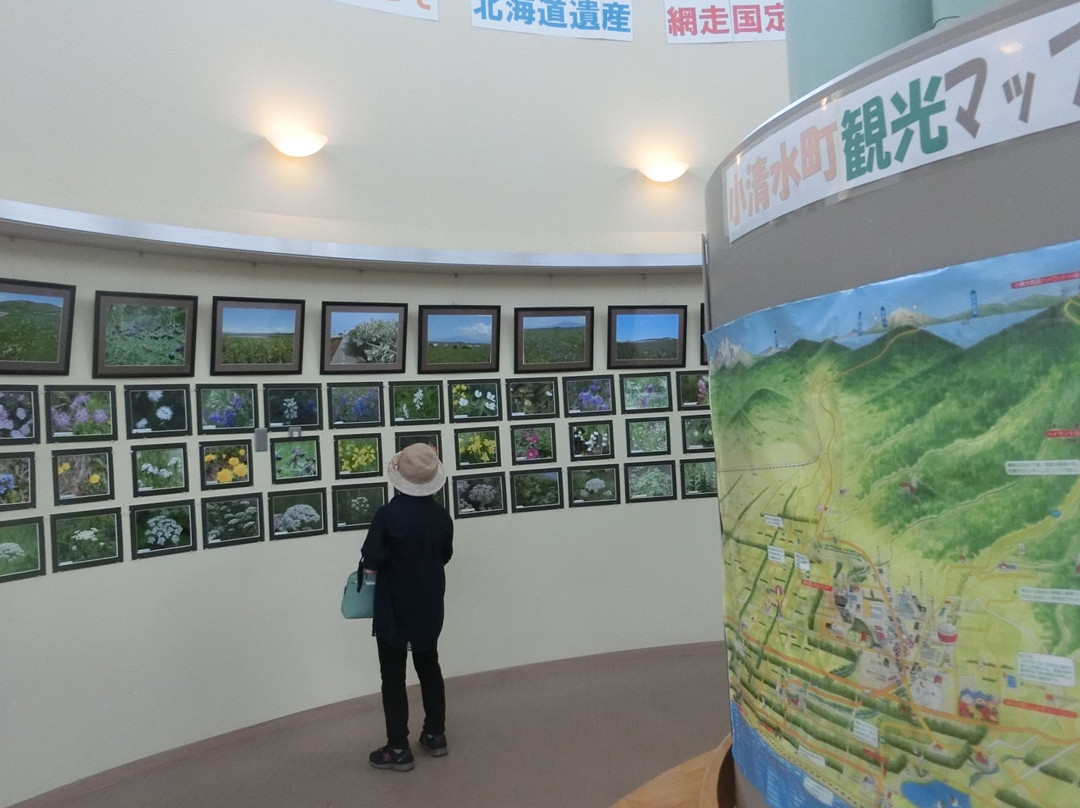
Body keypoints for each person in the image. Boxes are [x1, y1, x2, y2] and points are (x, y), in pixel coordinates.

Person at [359, 442, 454, 772]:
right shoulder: (441, 516)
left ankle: (398, 748)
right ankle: (436, 734)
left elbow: (370, 563)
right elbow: (444, 555)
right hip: (429, 604)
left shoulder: (388, 516)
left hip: (394, 606)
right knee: (430, 666)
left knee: (393, 676)